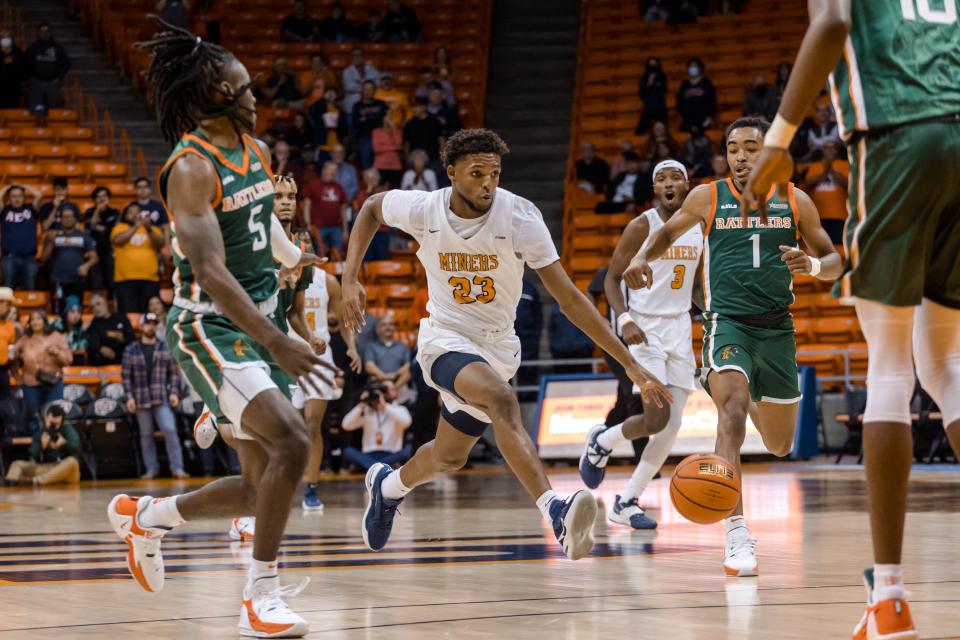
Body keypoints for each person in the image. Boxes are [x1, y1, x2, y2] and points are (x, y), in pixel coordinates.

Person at [341, 128, 672, 562]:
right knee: (501, 401)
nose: (487, 183)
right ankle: (556, 511)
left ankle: (386, 488)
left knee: (447, 457)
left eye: (494, 173)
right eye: (476, 173)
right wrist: (350, 278)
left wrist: (628, 363)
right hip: (445, 339)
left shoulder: (520, 219)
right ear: (452, 173)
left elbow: (570, 299)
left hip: (497, 348)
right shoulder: (424, 209)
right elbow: (369, 208)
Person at [108, 21, 334, 638]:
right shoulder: (190, 169)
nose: (255, 97)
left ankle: (148, 516)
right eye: (242, 88)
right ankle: (259, 596)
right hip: (209, 327)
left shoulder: (255, 152)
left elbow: (268, 237)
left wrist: (307, 265)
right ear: (212, 96)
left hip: (255, 316)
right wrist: (277, 339)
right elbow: (208, 271)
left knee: (263, 484)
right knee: (292, 441)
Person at [742, 3, 960, 636]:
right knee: (946, 368)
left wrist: (779, 143)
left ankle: (888, 597)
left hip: (898, 137)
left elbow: (834, 22)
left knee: (891, 370)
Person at [624, 116, 842, 576]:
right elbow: (665, 233)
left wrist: (814, 265)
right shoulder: (708, 195)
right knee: (732, 413)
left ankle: (730, 387)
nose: (740, 157)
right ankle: (738, 534)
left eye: (751, 148)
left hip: (777, 328)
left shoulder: (796, 200)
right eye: (733, 148)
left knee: (780, 445)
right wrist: (642, 257)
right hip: (727, 323)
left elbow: (835, 260)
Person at [580, 160, 699, 530]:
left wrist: (714, 313)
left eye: (675, 176)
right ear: (654, 188)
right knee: (656, 418)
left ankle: (627, 501)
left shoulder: (699, 225)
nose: (668, 183)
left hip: (679, 328)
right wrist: (625, 318)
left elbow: (695, 286)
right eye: (660, 178)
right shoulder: (641, 225)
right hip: (644, 329)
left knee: (671, 425)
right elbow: (612, 279)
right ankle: (602, 441)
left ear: (686, 183)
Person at [275, 176, 360, 509]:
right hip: (286, 353)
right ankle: (282, 481)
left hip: (319, 355)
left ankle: (311, 487)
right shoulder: (282, 275)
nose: (304, 247)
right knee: (288, 424)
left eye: (307, 244)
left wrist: (350, 347)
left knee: (313, 424)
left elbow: (343, 322)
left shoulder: (327, 282)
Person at [122, 312, 188, 479]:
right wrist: (129, 397)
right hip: (140, 398)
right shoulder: (131, 349)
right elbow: (126, 376)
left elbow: (174, 373)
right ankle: (151, 469)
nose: (151, 327)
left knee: (170, 429)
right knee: (145, 434)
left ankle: (177, 467)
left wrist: (174, 392)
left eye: (154, 324)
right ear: (141, 326)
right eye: (148, 323)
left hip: (161, 396)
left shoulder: (165, 347)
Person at [14, 310, 72, 429]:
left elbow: (68, 360)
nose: (35, 322)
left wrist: (57, 352)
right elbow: (12, 358)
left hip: (53, 383)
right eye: (32, 319)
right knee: (34, 419)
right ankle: (36, 446)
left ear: (45, 321)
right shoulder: (24, 340)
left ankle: (53, 444)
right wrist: (17, 378)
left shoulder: (57, 337)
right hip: (30, 385)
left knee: (53, 416)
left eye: (38, 318)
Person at [341, 381, 412, 470]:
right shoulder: (367, 410)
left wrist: (385, 406)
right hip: (369, 454)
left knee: (406, 451)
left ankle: (371, 467)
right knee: (348, 451)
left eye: (390, 389)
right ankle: (379, 467)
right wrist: (362, 404)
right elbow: (346, 425)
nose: (387, 392)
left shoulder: (400, 409)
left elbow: (406, 422)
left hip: (391, 454)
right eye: (384, 389)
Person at [4, 404, 80, 486]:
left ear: (62, 422)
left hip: (65, 470)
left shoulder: (68, 430)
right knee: (17, 464)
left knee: (72, 462)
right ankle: (11, 482)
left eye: (57, 424)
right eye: (51, 423)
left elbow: (77, 450)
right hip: (45, 468)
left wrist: (65, 444)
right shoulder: (40, 433)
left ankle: (36, 480)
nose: (53, 427)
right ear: (46, 418)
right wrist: (42, 447)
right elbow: (35, 458)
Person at [41, 208, 97, 316]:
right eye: (65, 217)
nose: (67, 219)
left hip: (77, 281)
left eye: (70, 216)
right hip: (57, 281)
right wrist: (52, 241)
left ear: (75, 219)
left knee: (75, 312)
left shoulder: (83, 236)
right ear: (60, 219)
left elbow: (95, 257)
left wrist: (87, 265)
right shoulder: (52, 236)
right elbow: (44, 258)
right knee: (57, 313)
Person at [111, 202, 164, 314]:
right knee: (129, 314)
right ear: (125, 216)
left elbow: (160, 243)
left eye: (137, 212)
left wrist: (148, 229)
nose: (135, 215)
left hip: (150, 278)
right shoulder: (119, 227)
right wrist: (136, 226)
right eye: (131, 212)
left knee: (150, 315)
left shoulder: (152, 229)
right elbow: (118, 240)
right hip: (124, 279)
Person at [802, 139, 848, 243]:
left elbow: (847, 183)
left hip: (839, 215)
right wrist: (825, 171)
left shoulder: (845, 164)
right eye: (827, 147)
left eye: (833, 147)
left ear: (838, 150)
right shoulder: (815, 165)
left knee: (839, 247)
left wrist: (830, 169)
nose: (830, 150)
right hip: (818, 216)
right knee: (821, 248)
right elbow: (809, 182)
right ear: (822, 150)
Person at [0, 184, 42, 290]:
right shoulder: (4, 210)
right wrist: (9, 186)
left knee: (29, 289)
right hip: (9, 258)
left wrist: (22, 185)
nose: (17, 199)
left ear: (24, 197)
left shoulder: (31, 209)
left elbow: (39, 195)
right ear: (9, 198)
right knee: (8, 291)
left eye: (19, 196)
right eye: (13, 196)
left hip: (29, 258)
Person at [304, 161, 349, 256]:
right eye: (331, 169)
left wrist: (345, 230)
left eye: (335, 170)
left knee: (338, 255)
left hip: (336, 227)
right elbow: (306, 205)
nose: (333, 172)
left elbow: (343, 210)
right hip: (319, 227)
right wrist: (308, 224)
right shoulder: (313, 184)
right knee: (319, 254)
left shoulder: (339, 187)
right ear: (324, 170)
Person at [25, 23, 69, 115]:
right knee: (35, 109)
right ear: (38, 33)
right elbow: (26, 63)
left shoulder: (58, 48)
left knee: (54, 109)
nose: (44, 34)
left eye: (47, 32)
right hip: (36, 82)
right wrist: (30, 77)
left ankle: (54, 128)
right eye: (42, 32)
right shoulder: (32, 48)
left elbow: (65, 64)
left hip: (52, 83)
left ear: (50, 33)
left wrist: (59, 77)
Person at [84, 186, 121, 294]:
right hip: (94, 251)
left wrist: (100, 228)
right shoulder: (89, 212)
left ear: (108, 198)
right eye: (98, 197)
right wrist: (97, 211)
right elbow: (90, 226)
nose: (101, 199)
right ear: (94, 199)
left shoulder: (114, 212)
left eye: (104, 196)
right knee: (96, 282)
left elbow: (113, 230)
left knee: (112, 282)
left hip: (109, 250)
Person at [85, 293, 134, 366]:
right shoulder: (94, 324)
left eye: (98, 304)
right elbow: (92, 341)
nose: (96, 308)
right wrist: (100, 349)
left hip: (123, 360)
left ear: (105, 303)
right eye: (93, 307)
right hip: (102, 363)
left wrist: (123, 339)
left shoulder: (121, 318)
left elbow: (132, 339)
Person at [363, 314, 410, 389]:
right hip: (378, 385)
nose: (388, 327)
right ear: (377, 330)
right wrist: (386, 377)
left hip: (399, 385)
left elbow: (407, 366)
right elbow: (369, 366)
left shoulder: (403, 347)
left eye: (391, 324)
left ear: (394, 328)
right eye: (384, 325)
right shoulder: (371, 346)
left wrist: (394, 377)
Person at [351, 79, 389, 168]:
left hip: (381, 138)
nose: (368, 92)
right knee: (367, 166)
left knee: (381, 165)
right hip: (365, 138)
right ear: (362, 91)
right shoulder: (357, 106)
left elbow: (387, 119)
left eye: (370, 89)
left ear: (375, 90)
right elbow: (355, 124)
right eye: (366, 89)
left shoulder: (381, 104)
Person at [676, 57, 716, 132]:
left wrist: (709, 117)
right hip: (687, 121)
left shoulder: (706, 83)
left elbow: (711, 101)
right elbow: (680, 102)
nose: (692, 68)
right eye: (691, 66)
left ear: (700, 68)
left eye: (695, 66)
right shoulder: (684, 84)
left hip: (703, 120)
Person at [308, 88, 348, 160]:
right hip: (323, 147)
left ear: (336, 95)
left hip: (336, 148)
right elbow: (311, 111)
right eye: (328, 92)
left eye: (333, 92)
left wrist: (336, 126)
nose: (330, 94)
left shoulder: (340, 111)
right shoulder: (320, 109)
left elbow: (344, 129)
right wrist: (322, 99)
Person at [131, 177, 171, 249]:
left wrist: (167, 246)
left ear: (150, 189)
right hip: (136, 243)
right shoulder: (131, 207)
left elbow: (166, 227)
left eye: (145, 187)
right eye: (139, 187)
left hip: (156, 242)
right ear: (135, 190)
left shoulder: (159, 206)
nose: (142, 190)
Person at [403, 96, 445, 163]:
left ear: (424, 107)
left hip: (433, 160)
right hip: (414, 161)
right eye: (413, 107)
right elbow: (407, 144)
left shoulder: (435, 122)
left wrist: (442, 158)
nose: (413, 109)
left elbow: (441, 141)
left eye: (416, 106)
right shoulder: (409, 124)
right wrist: (407, 159)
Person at [341, 47, 380, 118]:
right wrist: (368, 86)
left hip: (370, 107)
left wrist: (360, 85)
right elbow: (349, 87)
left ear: (363, 57)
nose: (356, 57)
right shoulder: (347, 71)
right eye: (354, 55)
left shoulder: (372, 69)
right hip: (352, 107)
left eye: (359, 55)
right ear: (351, 57)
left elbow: (378, 82)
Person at [636, 57, 668, 134]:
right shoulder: (644, 79)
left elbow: (664, 90)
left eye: (654, 65)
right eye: (650, 65)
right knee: (639, 132)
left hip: (660, 109)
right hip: (648, 109)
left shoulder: (662, 77)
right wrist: (649, 82)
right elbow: (642, 94)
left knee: (665, 132)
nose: (652, 67)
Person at [372, 116, 403, 189]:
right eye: (388, 117)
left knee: (395, 191)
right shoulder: (376, 131)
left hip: (395, 165)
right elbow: (377, 149)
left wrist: (393, 128)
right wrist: (394, 148)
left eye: (391, 117)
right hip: (380, 165)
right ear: (383, 118)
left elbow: (399, 144)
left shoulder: (397, 131)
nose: (389, 119)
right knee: (379, 190)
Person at [0, 33, 27, 109]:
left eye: (7, 37)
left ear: (11, 40)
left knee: (13, 108)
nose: (5, 40)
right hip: (1, 88)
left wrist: (23, 79)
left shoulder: (19, 53)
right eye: (3, 37)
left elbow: (26, 67)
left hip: (14, 88)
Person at [0, 287, 17, 400]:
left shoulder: (10, 325)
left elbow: (12, 352)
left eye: (8, 304)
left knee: (4, 404)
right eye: (1, 302)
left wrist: (16, 374)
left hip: (2, 370)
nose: (6, 307)